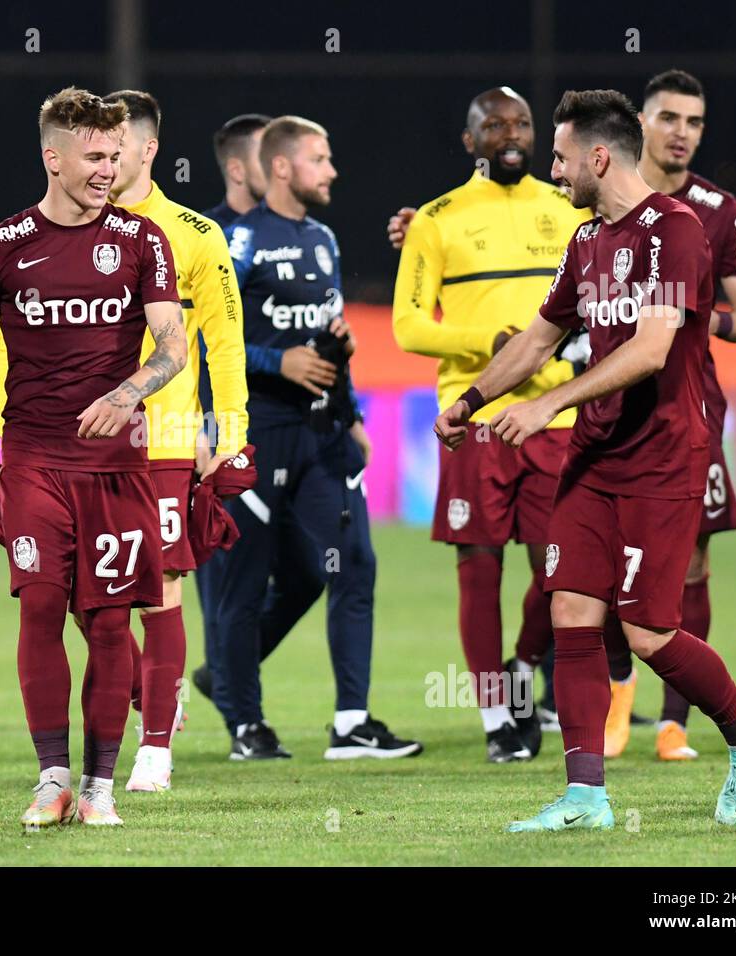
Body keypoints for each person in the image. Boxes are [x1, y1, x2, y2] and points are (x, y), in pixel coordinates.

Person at [435, 89, 736, 831]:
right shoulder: (587, 240)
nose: (554, 171)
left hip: (663, 457)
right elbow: (537, 339)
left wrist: (548, 405)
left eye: (561, 158)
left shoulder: (675, 231)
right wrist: (471, 402)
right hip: (595, 460)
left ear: (597, 156)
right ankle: (586, 796)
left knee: (649, 632)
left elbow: (653, 350)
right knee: (571, 613)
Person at [0, 88, 187, 828]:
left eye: (115, 156)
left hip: (119, 468)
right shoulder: (2, 246)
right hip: (33, 462)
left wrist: (129, 392)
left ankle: (99, 788)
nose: (108, 170)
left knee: (108, 623)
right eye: (94, 157)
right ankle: (52, 777)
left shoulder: (141, 240)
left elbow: (172, 345)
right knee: (38, 606)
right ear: (52, 157)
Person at [393, 87, 590, 761]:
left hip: (556, 414)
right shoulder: (437, 219)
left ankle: (524, 668)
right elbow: (408, 325)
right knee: (479, 567)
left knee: (558, 568)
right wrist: (492, 342)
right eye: (494, 125)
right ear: (469, 140)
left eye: (522, 124)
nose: (511, 133)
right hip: (475, 417)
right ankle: (497, 721)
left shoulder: (566, 209)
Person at [215, 115, 421, 761]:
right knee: (244, 582)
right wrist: (280, 364)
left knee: (353, 561)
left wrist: (351, 404)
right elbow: (208, 341)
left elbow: (327, 333)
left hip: (323, 433)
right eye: (320, 159)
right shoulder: (238, 240)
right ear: (282, 168)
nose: (332, 171)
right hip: (261, 432)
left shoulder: (325, 239)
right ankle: (245, 722)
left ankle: (351, 723)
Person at [602, 69, 736, 761]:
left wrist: (696, 323)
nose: (682, 133)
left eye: (694, 122)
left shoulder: (718, 209)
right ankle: (614, 704)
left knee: (690, 559)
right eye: (670, 118)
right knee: (603, 558)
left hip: (689, 407)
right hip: (608, 402)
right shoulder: (608, 197)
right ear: (641, 121)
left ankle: (675, 724)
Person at [94, 89, 248, 792]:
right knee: (89, 600)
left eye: (115, 146)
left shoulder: (194, 233)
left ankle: (155, 747)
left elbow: (224, 340)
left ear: (148, 149)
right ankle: (150, 694)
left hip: (164, 441)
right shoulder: (68, 228)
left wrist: (231, 432)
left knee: (160, 595)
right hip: (82, 446)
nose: (103, 159)